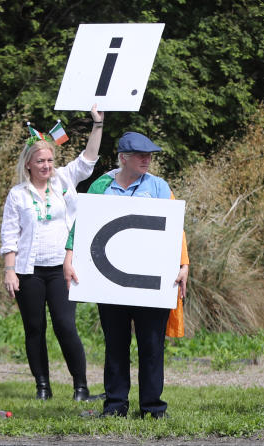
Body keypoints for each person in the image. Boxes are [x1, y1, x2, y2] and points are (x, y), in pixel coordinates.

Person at [63, 131, 189, 419]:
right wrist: (69, 256)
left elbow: (176, 227)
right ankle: (115, 405)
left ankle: (153, 408)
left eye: (150, 155)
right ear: (123, 158)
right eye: (140, 155)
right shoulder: (101, 186)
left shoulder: (158, 186)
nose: (147, 159)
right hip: (111, 281)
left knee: (152, 345)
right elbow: (81, 224)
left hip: (150, 280)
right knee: (116, 344)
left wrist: (184, 265)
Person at [0, 106, 105, 401]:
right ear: (29, 164)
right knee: (34, 328)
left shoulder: (63, 180)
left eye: (49, 160)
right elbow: (9, 234)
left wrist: (98, 125)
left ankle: (80, 388)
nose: (46, 165)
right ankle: (42, 387)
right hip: (29, 271)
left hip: (61, 268)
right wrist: (9, 270)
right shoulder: (17, 194)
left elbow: (88, 159)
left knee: (65, 326)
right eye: (40, 161)